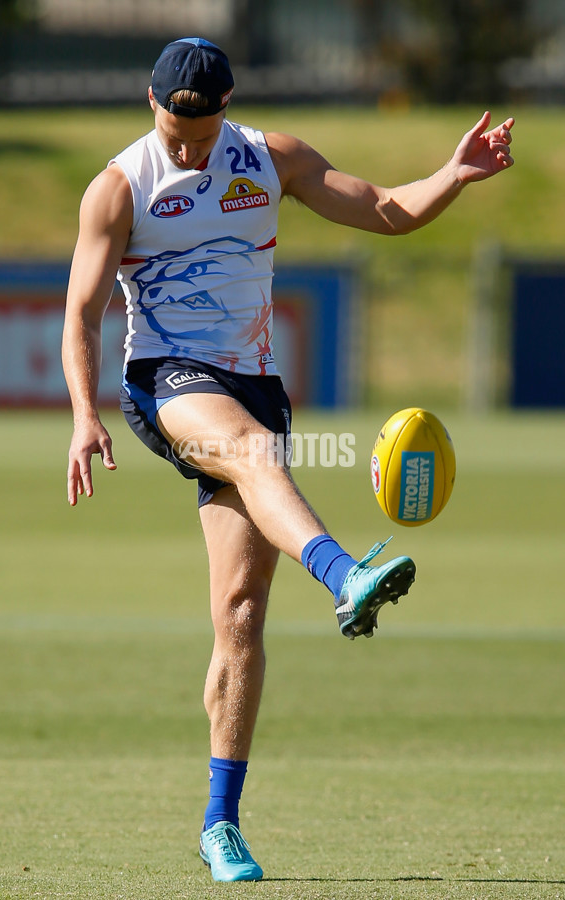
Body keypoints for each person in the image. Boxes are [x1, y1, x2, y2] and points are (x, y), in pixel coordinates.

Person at [62, 36, 514, 882]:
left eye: (203, 127)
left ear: (228, 106)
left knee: (239, 613)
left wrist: (452, 175)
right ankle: (345, 576)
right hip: (166, 378)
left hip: (255, 383)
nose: (189, 145)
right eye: (174, 125)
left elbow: (383, 206)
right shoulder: (120, 185)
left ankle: (218, 825)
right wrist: (87, 415)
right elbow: (82, 312)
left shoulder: (270, 160)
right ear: (149, 101)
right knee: (250, 454)